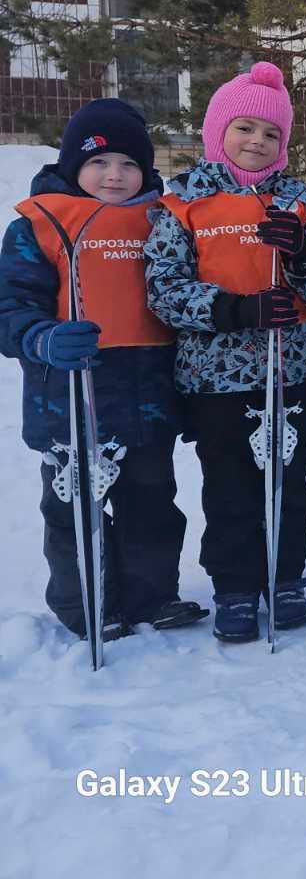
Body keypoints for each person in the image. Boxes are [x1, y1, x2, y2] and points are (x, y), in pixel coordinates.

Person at [0, 99, 206, 640]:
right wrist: (42, 337)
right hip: (69, 395)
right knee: (74, 510)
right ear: (73, 165)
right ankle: (89, 601)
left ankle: (152, 594)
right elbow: (11, 307)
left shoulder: (164, 219)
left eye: (129, 165)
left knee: (152, 503)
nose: (114, 175)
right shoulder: (37, 225)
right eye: (99, 162)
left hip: (149, 392)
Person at [144, 61, 306, 643]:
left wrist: (300, 255)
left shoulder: (297, 201)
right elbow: (162, 289)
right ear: (217, 132)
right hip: (216, 376)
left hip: (289, 366)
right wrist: (234, 310)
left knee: (288, 479)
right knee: (228, 485)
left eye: (272, 133)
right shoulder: (183, 204)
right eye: (245, 128)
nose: (258, 141)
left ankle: (286, 576)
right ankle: (234, 585)